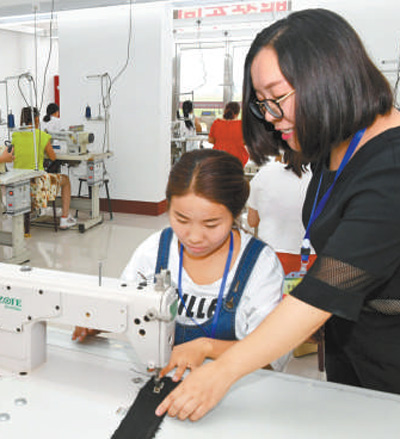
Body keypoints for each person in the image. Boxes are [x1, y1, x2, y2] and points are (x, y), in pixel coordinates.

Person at [156, 8, 400, 421]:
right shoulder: (335, 148)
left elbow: (322, 293)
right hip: (350, 345)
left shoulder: (391, 168)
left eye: (277, 98)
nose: (269, 117)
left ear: (329, 76)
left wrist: (221, 372)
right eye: (262, 103)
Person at [72, 149, 289, 375]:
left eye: (211, 224)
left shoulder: (259, 266)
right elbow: (125, 307)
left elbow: (271, 356)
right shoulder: (155, 250)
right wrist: (98, 322)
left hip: (235, 384)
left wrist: (207, 348)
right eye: (181, 219)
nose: (194, 237)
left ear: (235, 214)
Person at [247, 155, 315, 275]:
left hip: (270, 256)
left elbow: (252, 221)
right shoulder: (320, 177)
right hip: (310, 259)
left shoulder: (265, 173)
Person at [12, 107, 77, 229]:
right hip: (38, 185)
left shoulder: (15, 135)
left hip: (21, 183)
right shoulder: (41, 135)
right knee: (66, 180)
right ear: (37, 119)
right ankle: (64, 218)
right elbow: (53, 157)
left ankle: (31, 212)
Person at [208, 102, 249, 167]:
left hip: (218, 158)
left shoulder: (217, 123)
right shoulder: (242, 124)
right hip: (237, 159)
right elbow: (246, 141)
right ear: (238, 113)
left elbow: (210, 140)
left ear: (225, 111)